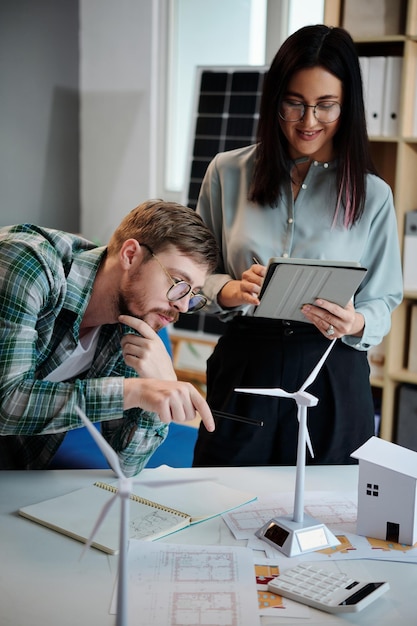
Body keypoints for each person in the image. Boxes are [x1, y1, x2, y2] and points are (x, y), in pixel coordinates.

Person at [192, 24, 403, 467]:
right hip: (248, 363)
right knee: (219, 501)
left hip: (332, 367)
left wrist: (357, 321)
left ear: (348, 107)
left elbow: (384, 297)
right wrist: (226, 290)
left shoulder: (373, 194)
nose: (308, 122)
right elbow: (192, 277)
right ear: (275, 101)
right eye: (295, 104)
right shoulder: (226, 173)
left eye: (326, 106)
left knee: (334, 518)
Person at [0, 199, 219, 474]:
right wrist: (137, 392)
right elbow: (5, 401)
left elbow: (126, 464)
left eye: (193, 294)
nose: (183, 306)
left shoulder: (131, 326)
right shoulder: (29, 264)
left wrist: (160, 386)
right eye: (179, 284)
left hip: (16, 475)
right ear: (130, 255)